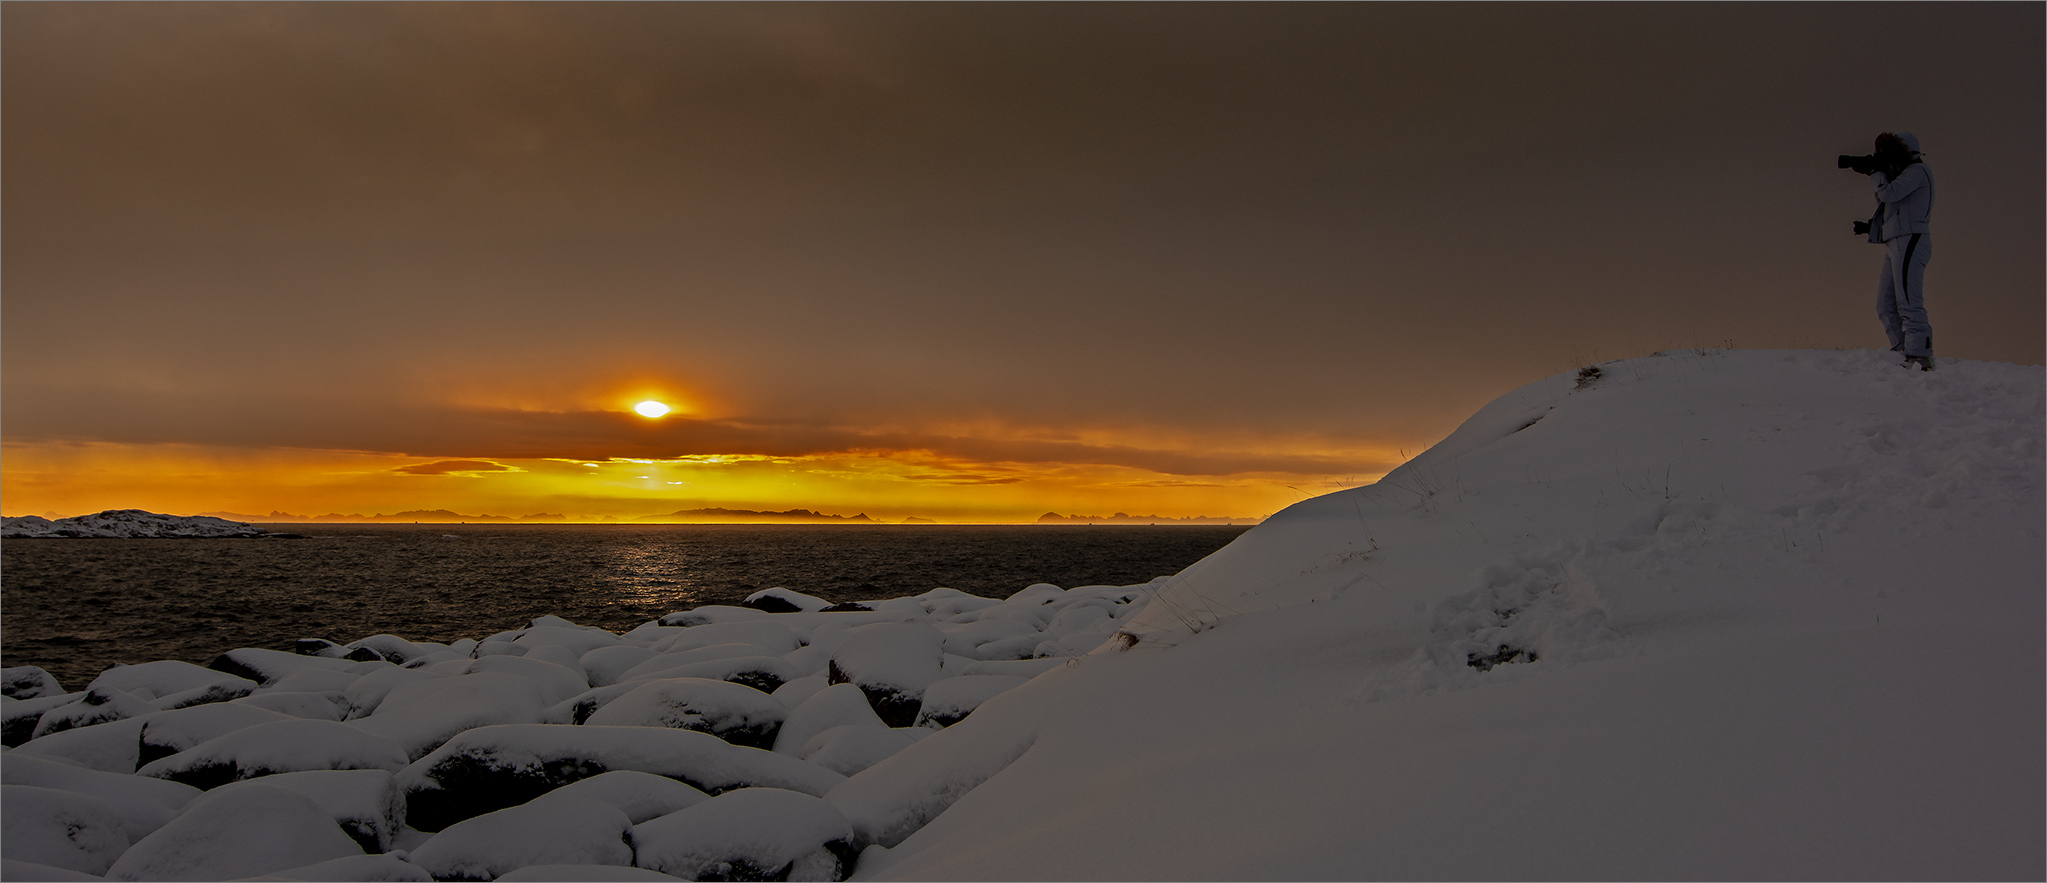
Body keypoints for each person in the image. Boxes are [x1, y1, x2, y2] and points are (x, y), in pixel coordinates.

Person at [1853, 132, 1936, 371]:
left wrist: (1875, 172)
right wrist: (1870, 227)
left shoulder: (1918, 171)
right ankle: (1902, 352)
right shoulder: (1903, 175)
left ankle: (1920, 355)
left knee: (1908, 301)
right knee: (1885, 303)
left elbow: (1889, 194)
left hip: (1911, 240)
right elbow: (1896, 207)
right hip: (1896, 241)